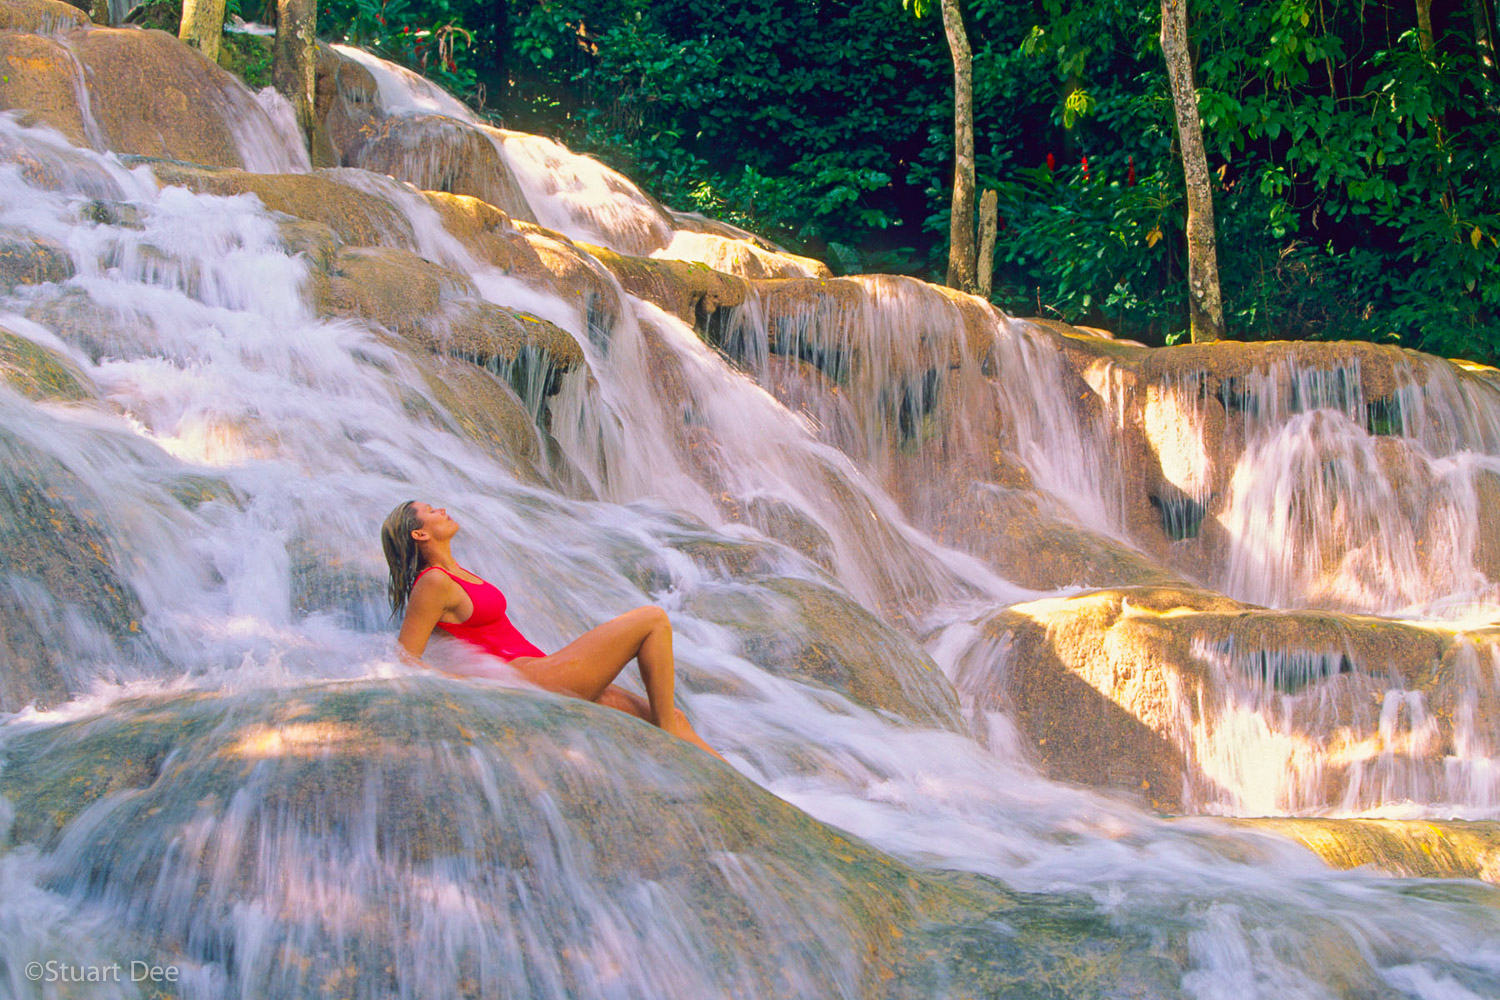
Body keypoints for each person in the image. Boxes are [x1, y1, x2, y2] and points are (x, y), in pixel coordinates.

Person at [381, 500, 722, 759]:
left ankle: (747, 792)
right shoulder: (434, 582)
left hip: (544, 671)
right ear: (419, 533)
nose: (441, 510)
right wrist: (478, 686)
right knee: (652, 620)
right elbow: (405, 657)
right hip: (532, 683)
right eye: (430, 511)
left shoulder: (457, 573)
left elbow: (457, 642)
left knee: (673, 715)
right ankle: (673, 754)